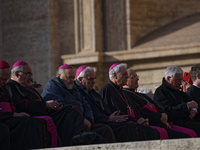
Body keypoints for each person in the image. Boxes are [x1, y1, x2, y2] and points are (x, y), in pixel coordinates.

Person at [4, 60, 96, 146]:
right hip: (29, 115)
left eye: (31, 74)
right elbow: (22, 105)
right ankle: (76, 138)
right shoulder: (11, 86)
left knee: (68, 110)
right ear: (16, 74)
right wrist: (46, 105)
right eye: (28, 74)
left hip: (43, 112)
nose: (31, 78)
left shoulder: (29, 88)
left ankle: (79, 136)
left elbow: (86, 104)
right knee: (68, 111)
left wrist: (52, 105)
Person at [41, 64, 115, 143]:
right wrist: (81, 120)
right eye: (69, 77)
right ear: (59, 76)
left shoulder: (74, 88)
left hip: (83, 123)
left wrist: (88, 120)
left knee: (105, 130)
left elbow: (86, 105)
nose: (72, 80)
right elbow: (61, 107)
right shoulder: (52, 86)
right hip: (66, 125)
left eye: (73, 77)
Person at [122, 69, 195, 138]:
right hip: (152, 123)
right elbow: (142, 111)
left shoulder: (141, 95)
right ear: (125, 79)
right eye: (133, 77)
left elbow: (158, 107)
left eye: (137, 76)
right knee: (185, 136)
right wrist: (160, 117)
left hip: (161, 122)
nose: (137, 79)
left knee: (191, 133)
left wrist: (163, 114)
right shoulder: (125, 95)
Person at [0, 60, 56, 149]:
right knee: (29, 122)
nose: (4, 82)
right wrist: (13, 114)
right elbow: (20, 105)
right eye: (2, 79)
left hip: (10, 117)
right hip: (6, 118)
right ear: (17, 74)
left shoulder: (5, 87)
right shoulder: (10, 86)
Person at [98, 63, 161, 140]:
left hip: (130, 122)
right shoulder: (106, 91)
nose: (127, 77)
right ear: (115, 75)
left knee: (151, 131)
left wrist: (141, 119)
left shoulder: (122, 91)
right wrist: (137, 120)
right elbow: (117, 113)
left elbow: (133, 109)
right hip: (119, 125)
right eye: (124, 74)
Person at [154, 65, 200, 136]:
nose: (180, 83)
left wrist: (193, 109)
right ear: (169, 78)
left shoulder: (179, 92)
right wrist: (187, 106)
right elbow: (167, 111)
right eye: (178, 80)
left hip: (188, 121)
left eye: (181, 80)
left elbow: (192, 103)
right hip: (175, 124)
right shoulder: (160, 92)